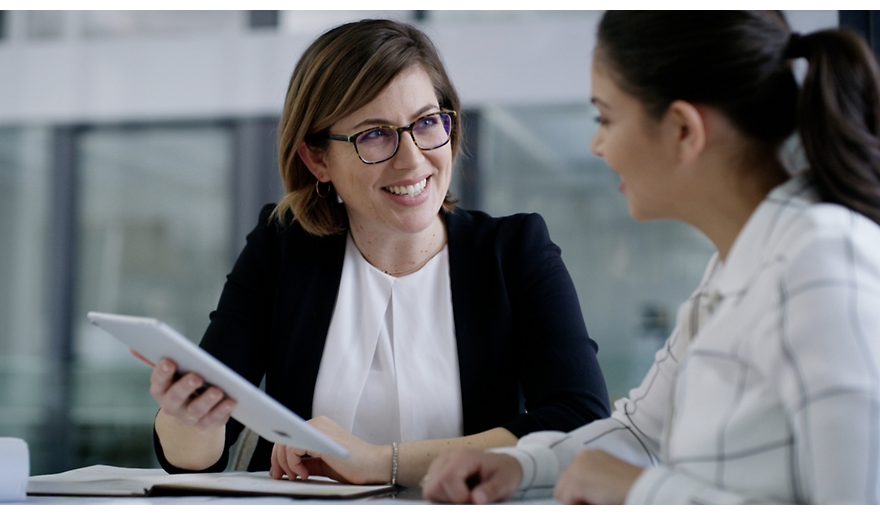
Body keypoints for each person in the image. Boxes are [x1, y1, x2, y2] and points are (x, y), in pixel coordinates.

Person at [422, 10, 880, 504]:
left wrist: (641, 491)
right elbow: (640, 433)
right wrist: (515, 465)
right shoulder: (734, 268)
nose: (597, 144)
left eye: (606, 118)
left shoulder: (822, 262)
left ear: (683, 129)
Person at [146, 19, 610, 488]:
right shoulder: (283, 246)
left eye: (427, 123)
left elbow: (581, 422)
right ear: (317, 159)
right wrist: (187, 414)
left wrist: (379, 462)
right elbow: (195, 458)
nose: (411, 159)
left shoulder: (514, 251)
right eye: (374, 135)